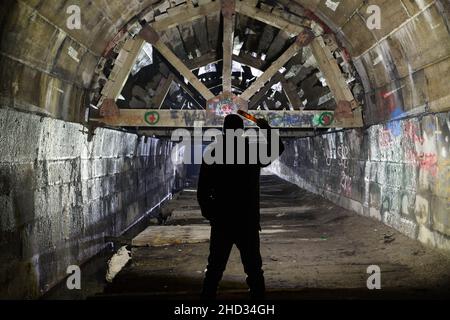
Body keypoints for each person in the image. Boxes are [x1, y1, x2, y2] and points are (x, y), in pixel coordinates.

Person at [197, 113, 285, 300]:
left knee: (214, 267)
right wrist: (265, 128)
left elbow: (202, 189)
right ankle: (258, 302)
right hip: (247, 220)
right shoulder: (251, 151)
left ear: (224, 130)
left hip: (222, 220)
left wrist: (210, 214)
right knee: (253, 268)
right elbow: (278, 147)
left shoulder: (212, 152)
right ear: (242, 131)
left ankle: (206, 302)